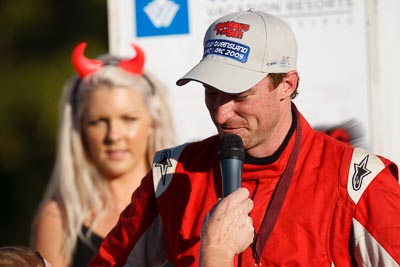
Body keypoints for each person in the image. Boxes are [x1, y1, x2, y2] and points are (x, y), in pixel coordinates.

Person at [88, 9, 400, 266]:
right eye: (211, 93)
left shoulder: (356, 181)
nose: (222, 114)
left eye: (240, 94)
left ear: (287, 84)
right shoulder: (172, 174)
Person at [30, 42, 175, 267]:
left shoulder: (182, 197)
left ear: (153, 123)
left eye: (128, 119)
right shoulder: (59, 218)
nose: (113, 135)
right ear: (79, 129)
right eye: (98, 122)